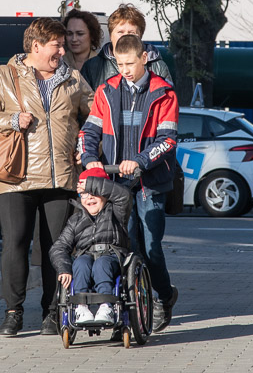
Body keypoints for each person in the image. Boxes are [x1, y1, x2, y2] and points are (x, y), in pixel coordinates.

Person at [0, 18, 94, 337]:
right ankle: (13, 312)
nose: (62, 50)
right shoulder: (5, 75)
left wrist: (85, 145)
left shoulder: (73, 78)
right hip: (16, 177)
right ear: (36, 46)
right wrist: (12, 119)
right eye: (56, 44)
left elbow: (96, 116)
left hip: (61, 177)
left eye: (63, 44)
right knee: (14, 244)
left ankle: (52, 311)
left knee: (56, 247)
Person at [79, 34, 179, 332]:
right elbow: (89, 131)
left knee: (151, 248)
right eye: (120, 64)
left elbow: (168, 139)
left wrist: (140, 160)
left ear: (144, 58)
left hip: (150, 182)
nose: (125, 70)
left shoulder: (164, 93)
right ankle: (129, 307)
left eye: (130, 63)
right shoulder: (106, 91)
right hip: (116, 181)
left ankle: (163, 296)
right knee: (125, 246)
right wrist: (89, 159)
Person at [50, 167, 132, 325]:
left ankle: (106, 306)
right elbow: (58, 248)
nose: (89, 198)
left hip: (112, 256)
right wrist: (64, 268)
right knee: (80, 263)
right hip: (86, 256)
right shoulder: (75, 220)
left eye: (93, 192)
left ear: (106, 194)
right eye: (84, 194)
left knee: (101, 263)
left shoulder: (116, 212)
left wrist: (90, 183)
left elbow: (124, 195)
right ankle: (81, 307)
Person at [81, 3, 173, 90]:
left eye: (131, 33)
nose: (125, 37)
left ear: (140, 36)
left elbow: (167, 101)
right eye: (120, 32)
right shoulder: (92, 67)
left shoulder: (157, 66)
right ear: (110, 36)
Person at [62, 9, 103, 73]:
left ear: (92, 35)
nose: (74, 39)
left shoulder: (103, 64)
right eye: (69, 34)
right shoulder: (59, 63)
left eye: (80, 34)